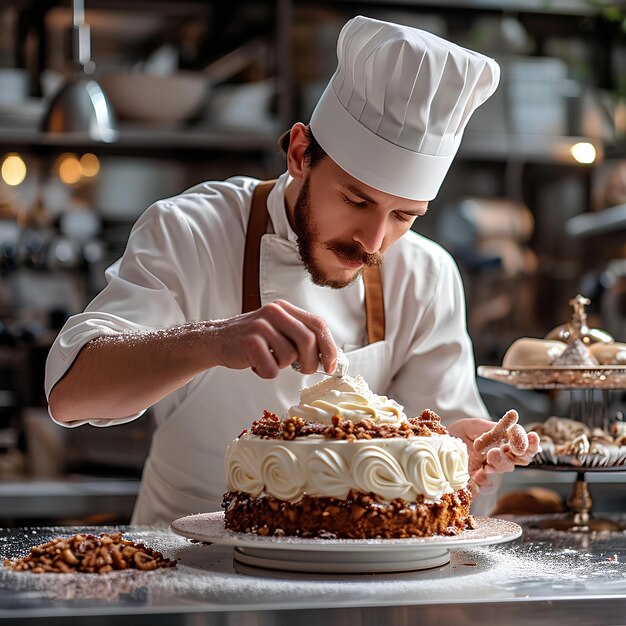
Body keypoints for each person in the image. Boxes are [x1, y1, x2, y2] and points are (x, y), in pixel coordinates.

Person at [45, 15, 539, 525]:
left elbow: (445, 459)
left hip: (357, 581)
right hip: (187, 569)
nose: (372, 242)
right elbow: (71, 393)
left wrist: (461, 459)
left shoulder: (426, 275)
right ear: (301, 153)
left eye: (403, 217)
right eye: (355, 200)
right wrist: (216, 340)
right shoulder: (190, 231)